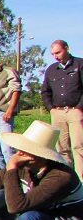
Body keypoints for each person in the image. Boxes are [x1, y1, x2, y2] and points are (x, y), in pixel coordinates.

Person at [41, 40, 83, 180]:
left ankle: (81, 180)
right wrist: (51, 109)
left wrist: (79, 108)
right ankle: (67, 180)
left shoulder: (80, 64)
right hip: (57, 113)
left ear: (67, 49)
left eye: (58, 52)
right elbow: (45, 91)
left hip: (75, 112)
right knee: (62, 149)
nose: (55, 56)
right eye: (53, 54)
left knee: (79, 147)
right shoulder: (51, 69)